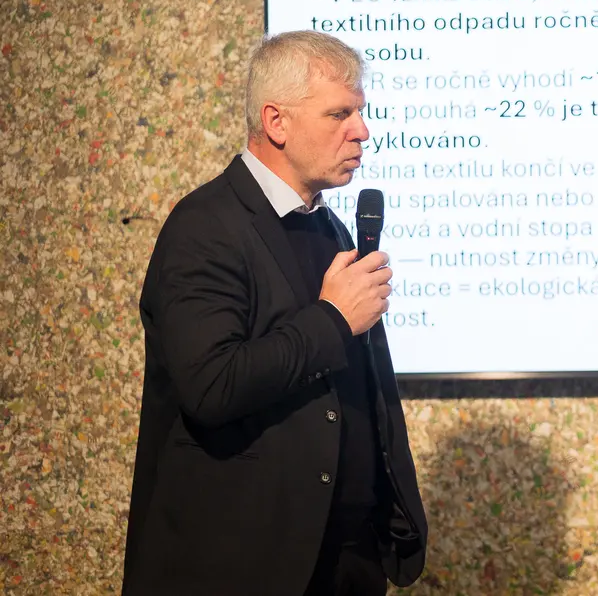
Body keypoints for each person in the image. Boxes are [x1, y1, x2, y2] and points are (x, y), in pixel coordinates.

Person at [122, 31, 427, 595]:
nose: (362, 131)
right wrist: (332, 319)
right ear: (276, 122)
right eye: (339, 114)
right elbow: (212, 386)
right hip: (241, 565)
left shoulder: (331, 228)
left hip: (344, 562)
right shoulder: (206, 226)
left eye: (360, 113)